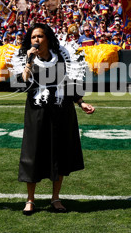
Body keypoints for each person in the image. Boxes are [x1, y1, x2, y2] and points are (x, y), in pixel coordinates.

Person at [10, 23, 94, 215]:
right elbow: (21, 83)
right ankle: (30, 199)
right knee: (33, 153)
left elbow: (71, 84)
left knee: (59, 152)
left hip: (61, 111)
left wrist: (81, 103)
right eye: (33, 37)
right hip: (36, 113)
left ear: (47, 38)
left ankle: (55, 198)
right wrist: (29, 61)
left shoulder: (63, 57)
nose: (36, 40)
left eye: (40, 36)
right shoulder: (26, 57)